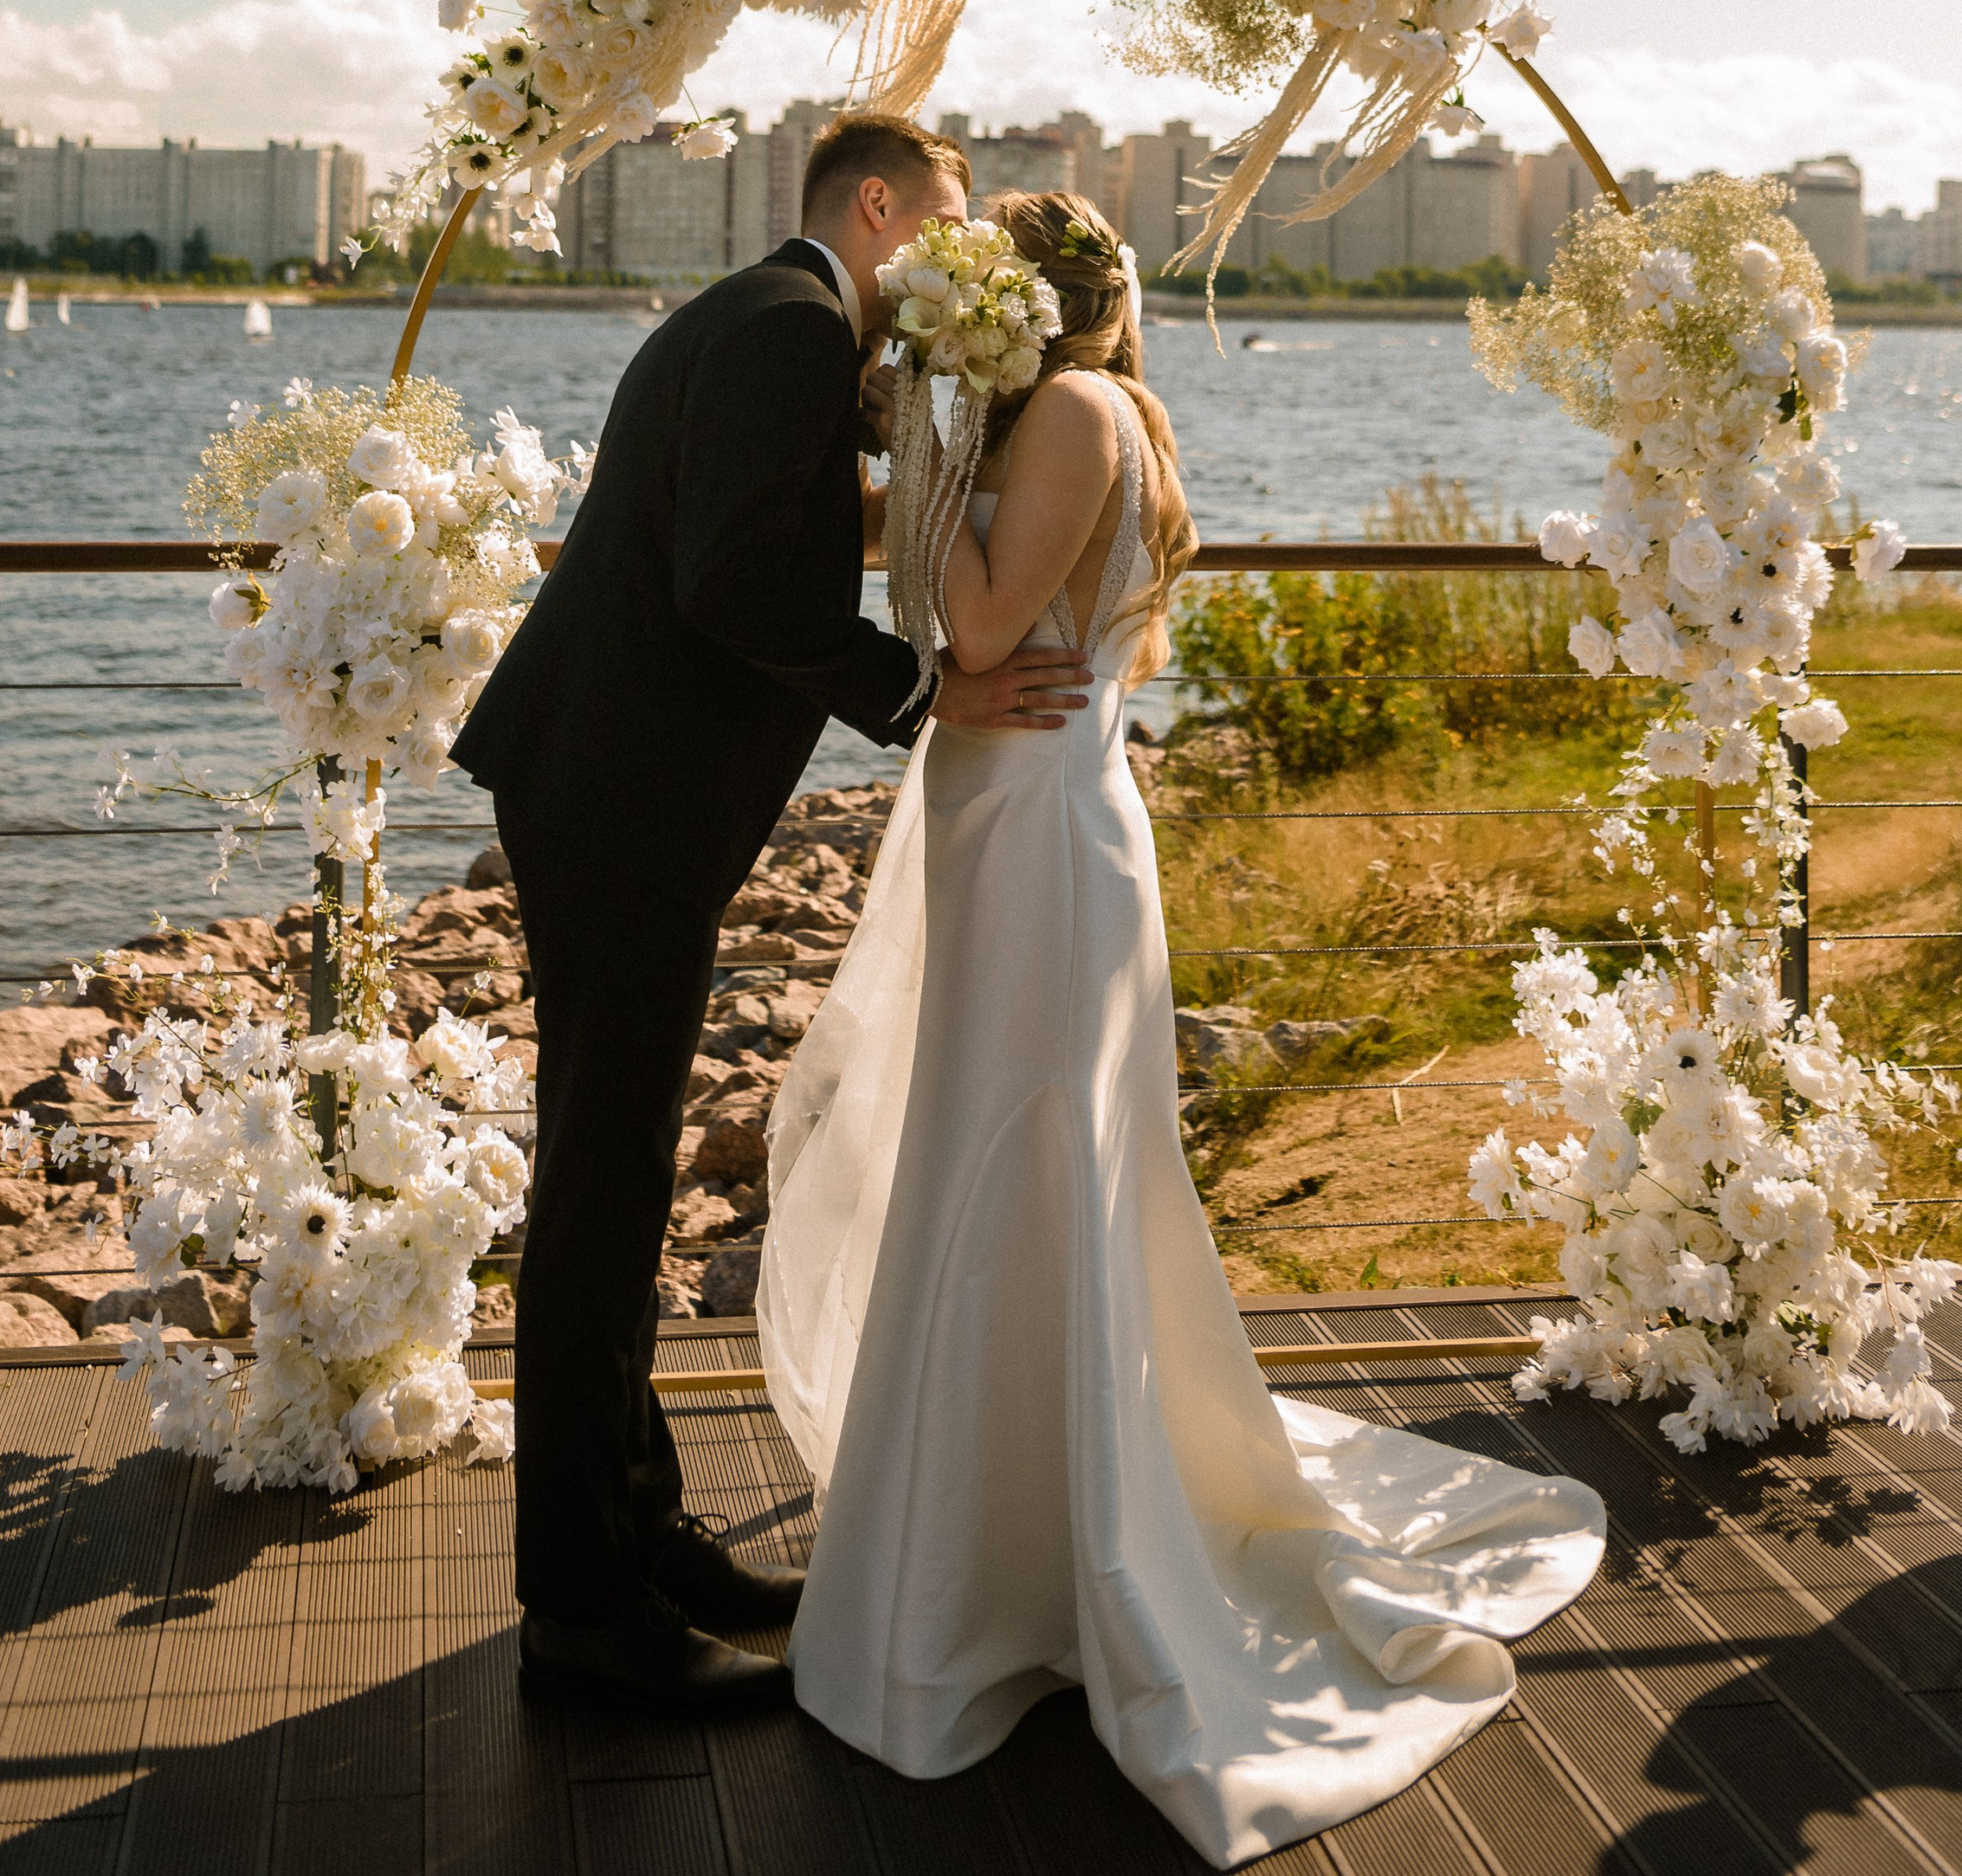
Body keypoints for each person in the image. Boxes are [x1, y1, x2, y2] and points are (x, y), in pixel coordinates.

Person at [759, 192, 1605, 1866]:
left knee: (1026, 1168)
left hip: (1045, 838)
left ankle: (1057, 1550)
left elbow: (978, 630)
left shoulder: (1078, 410)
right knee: (993, 1169)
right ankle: (989, 1537)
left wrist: (923, 441)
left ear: (1023, 309)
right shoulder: (1055, 414)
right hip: (1004, 816)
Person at [453, 115, 1094, 1718]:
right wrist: (927, 694)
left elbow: (758, 536)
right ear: (876, 208)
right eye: (944, 219)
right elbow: (731, 581)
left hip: (612, 790)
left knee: (617, 1181)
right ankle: (582, 1618)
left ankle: (646, 1539)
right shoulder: (792, 330)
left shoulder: (774, 318)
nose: (956, 252)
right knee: (600, 1200)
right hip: (619, 798)